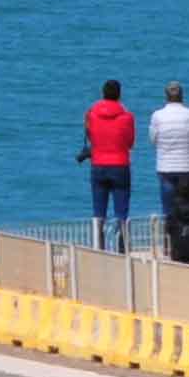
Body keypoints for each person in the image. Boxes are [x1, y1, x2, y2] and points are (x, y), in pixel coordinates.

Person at [148, 80, 189, 261]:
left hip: (165, 167)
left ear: (166, 96)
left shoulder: (157, 116)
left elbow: (153, 140)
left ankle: (168, 245)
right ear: (182, 95)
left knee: (168, 209)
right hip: (187, 166)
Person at [79, 79, 135, 251]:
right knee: (122, 213)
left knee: (98, 213)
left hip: (98, 165)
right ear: (119, 95)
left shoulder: (91, 115)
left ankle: (99, 248)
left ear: (103, 94)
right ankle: (122, 249)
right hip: (120, 165)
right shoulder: (127, 117)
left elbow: (90, 137)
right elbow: (130, 143)